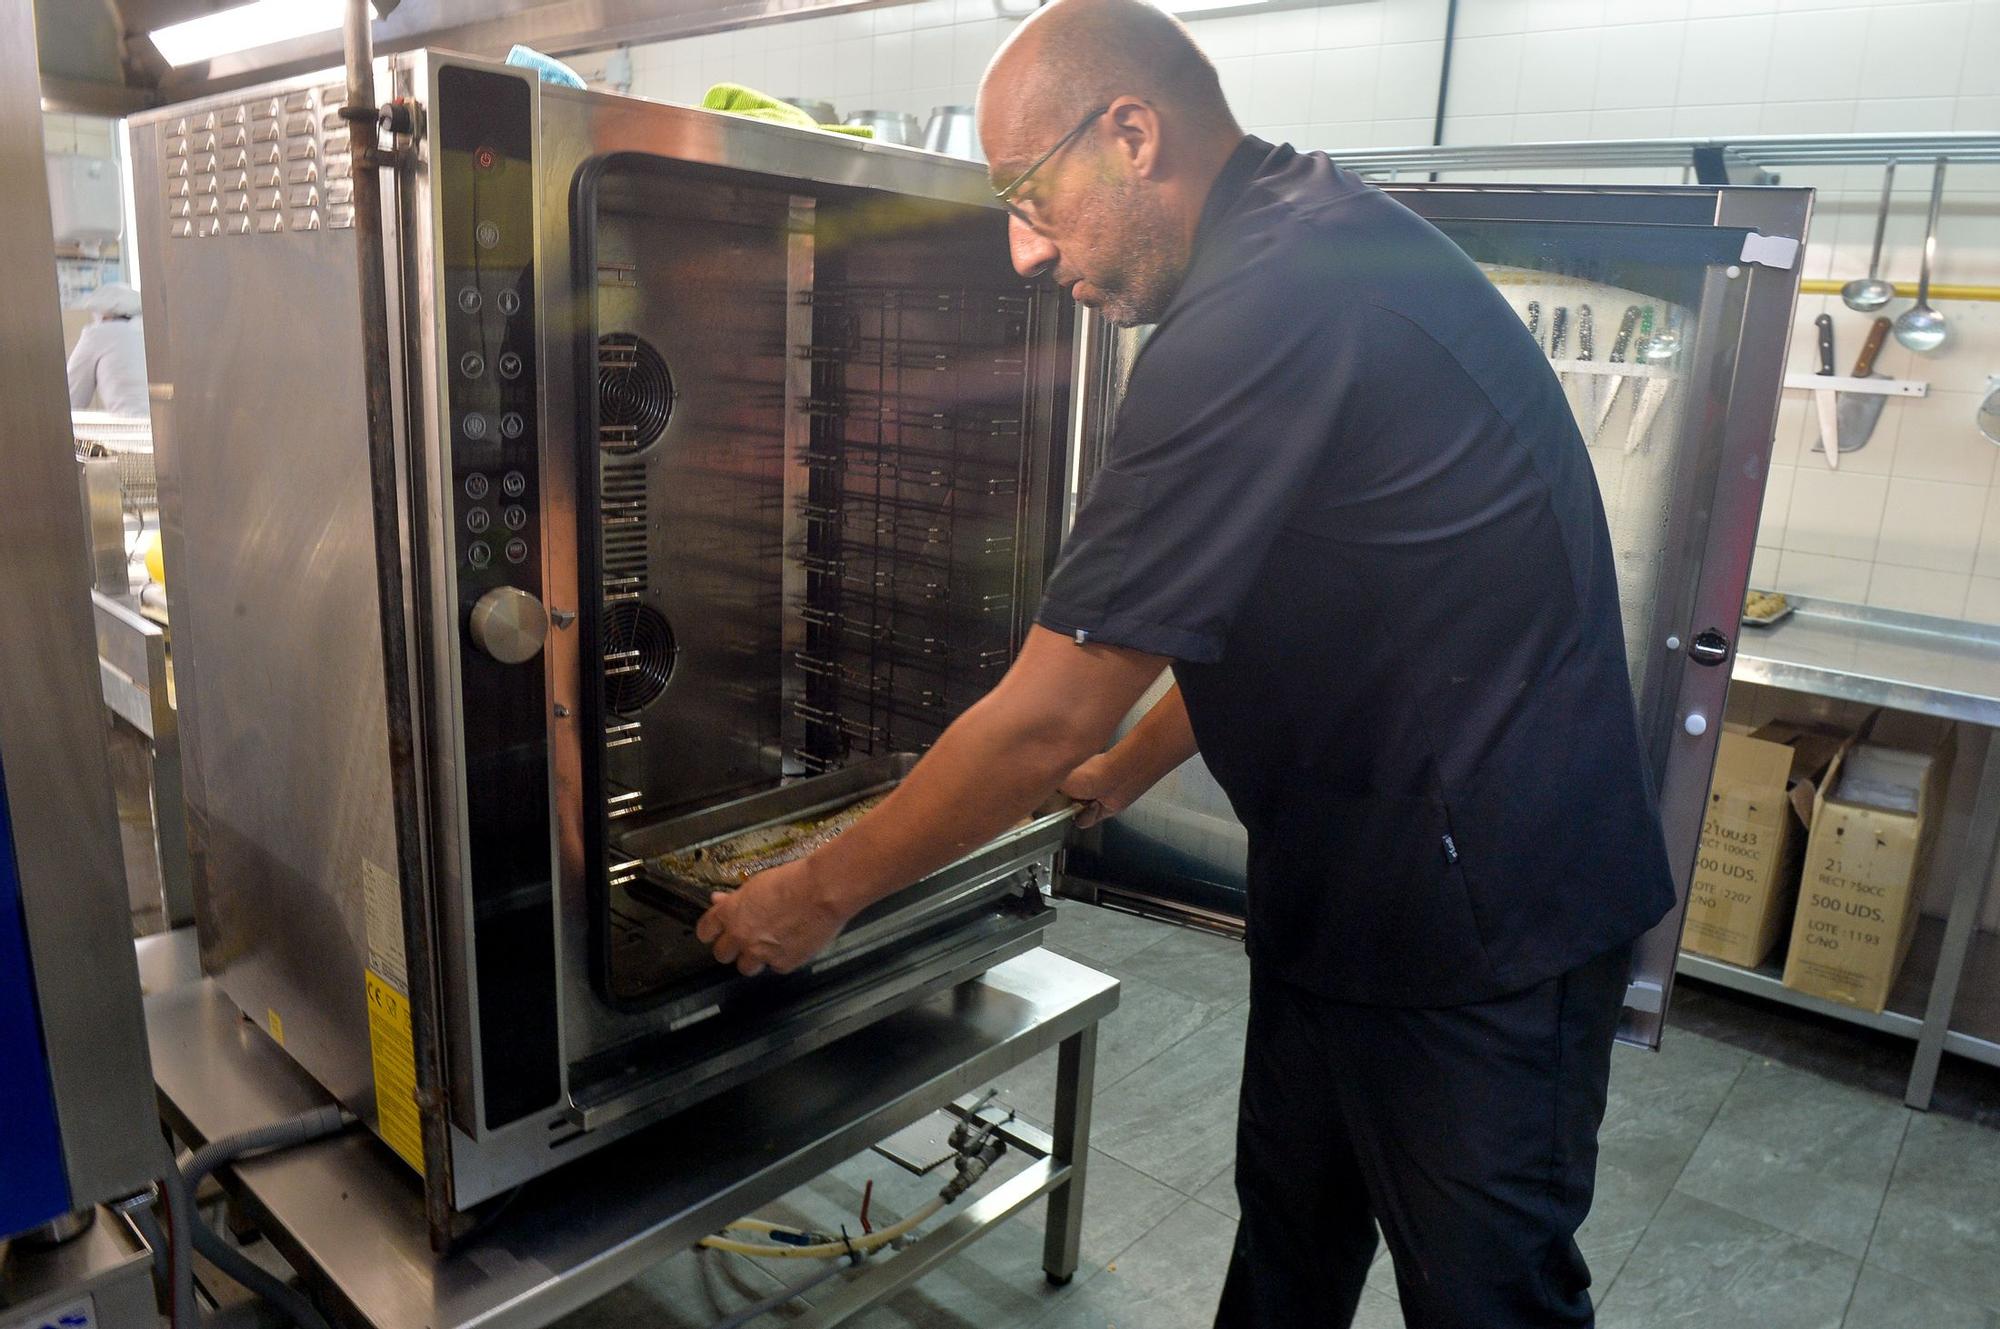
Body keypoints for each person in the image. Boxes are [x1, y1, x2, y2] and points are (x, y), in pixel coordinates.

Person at [696, 0, 1677, 1322]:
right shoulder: (1299, 244)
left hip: (1488, 915)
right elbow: (1279, 597)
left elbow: (1045, 715)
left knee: (1487, 1295)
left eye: (1031, 196)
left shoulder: (1262, 310)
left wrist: (816, 893)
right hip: (1344, 875)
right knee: (1288, 1241)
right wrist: (1129, 763)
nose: (1026, 251)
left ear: (1134, 134)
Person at [66, 282, 149, 416]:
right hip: (169, 427)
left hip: (131, 429)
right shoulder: (153, 332)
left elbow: (71, 399)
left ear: (104, 316)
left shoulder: (98, 334)